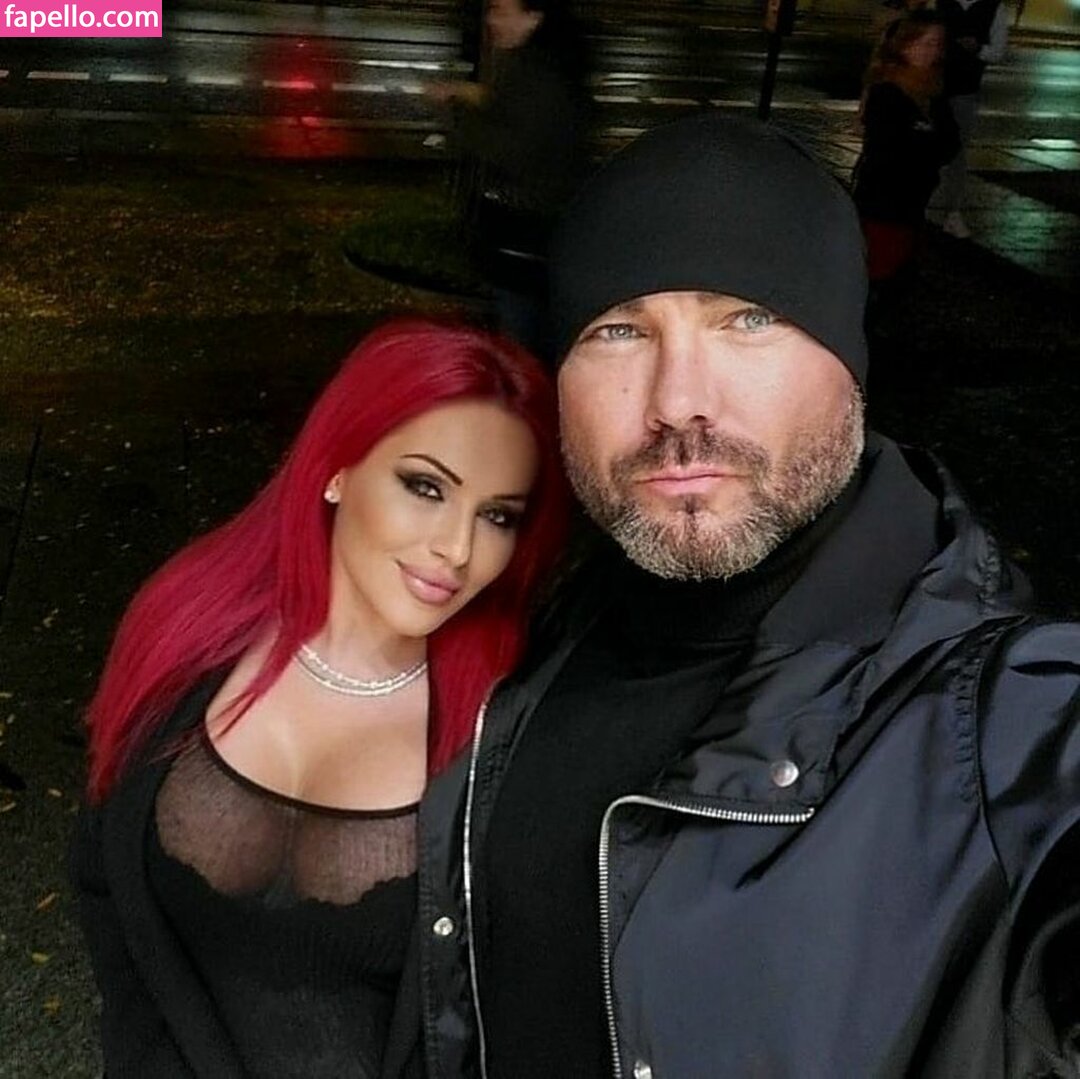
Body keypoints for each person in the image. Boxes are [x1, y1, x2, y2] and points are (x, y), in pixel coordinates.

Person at [408, 115, 1080, 1077]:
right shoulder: (533, 623)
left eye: (748, 318)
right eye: (618, 330)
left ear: (850, 364)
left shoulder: (1014, 727)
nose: (677, 400)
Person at [70, 318, 569, 1078]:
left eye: (497, 515)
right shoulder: (185, 631)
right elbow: (108, 889)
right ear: (337, 467)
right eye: (426, 487)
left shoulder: (503, 731)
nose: (458, 548)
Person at [427, 0, 590, 362]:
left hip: (524, 236)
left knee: (520, 344)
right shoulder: (534, 64)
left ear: (533, 18)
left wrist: (455, 113)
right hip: (527, 234)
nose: (491, 20)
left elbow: (507, 150)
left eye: (501, 10)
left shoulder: (539, 75)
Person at [854, 13, 960, 284]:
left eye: (937, 44)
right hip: (885, 201)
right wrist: (926, 145)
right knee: (879, 271)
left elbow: (950, 143)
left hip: (914, 202)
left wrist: (927, 145)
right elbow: (892, 148)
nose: (931, 51)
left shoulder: (932, 89)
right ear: (905, 44)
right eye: (924, 43)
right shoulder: (887, 90)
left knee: (899, 270)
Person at [937, 0, 1009, 238]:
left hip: (965, 90)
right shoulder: (940, 3)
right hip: (931, 86)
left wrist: (978, 49)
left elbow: (998, 51)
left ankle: (952, 212)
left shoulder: (994, 7)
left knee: (957, 153)